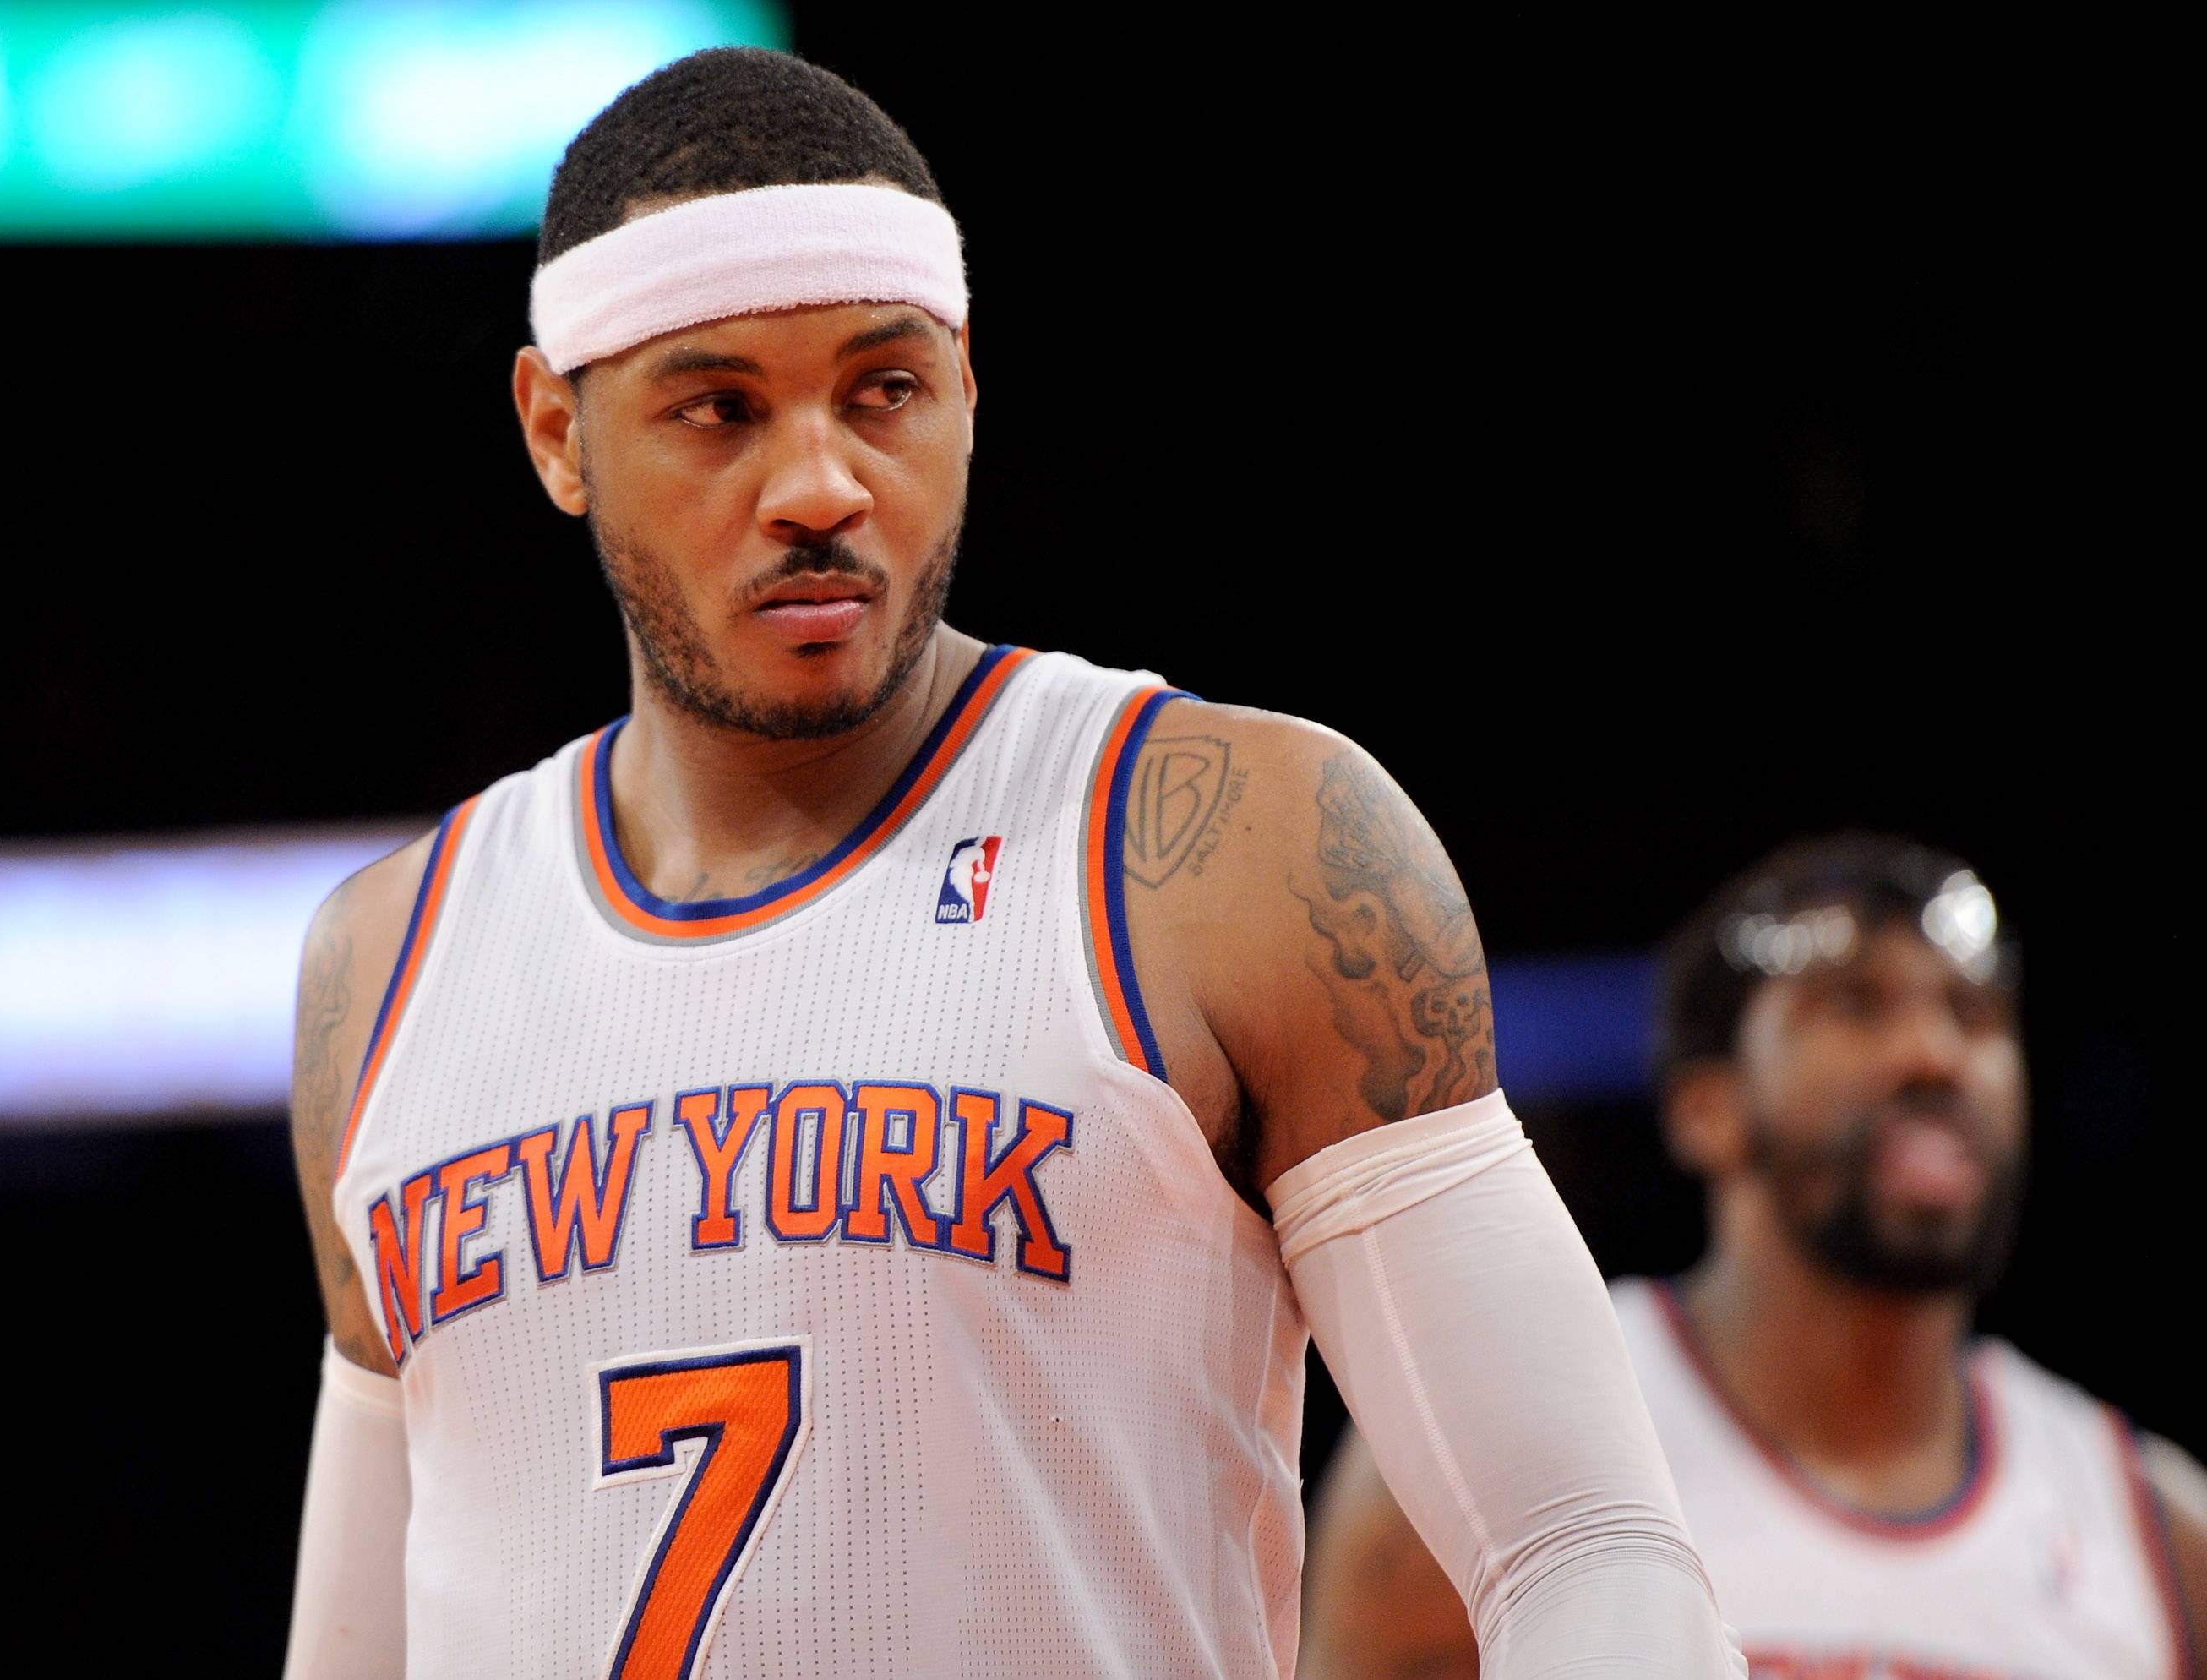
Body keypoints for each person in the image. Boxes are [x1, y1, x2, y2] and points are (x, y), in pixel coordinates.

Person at [281, 46, 1736, 1679]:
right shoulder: (386, 961)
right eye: (720, 408)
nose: (823, 484)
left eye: (882, 389)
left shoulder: (1225, 845)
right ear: (558, 432)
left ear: (968, 386)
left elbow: (1583, 1544)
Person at [1301, 833, 2207, 1679]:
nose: (1935, 1054)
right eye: (1854, 1004)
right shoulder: (1492, 1445)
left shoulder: (2159, 1527)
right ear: (1709, 1107)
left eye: (1972, 1014)